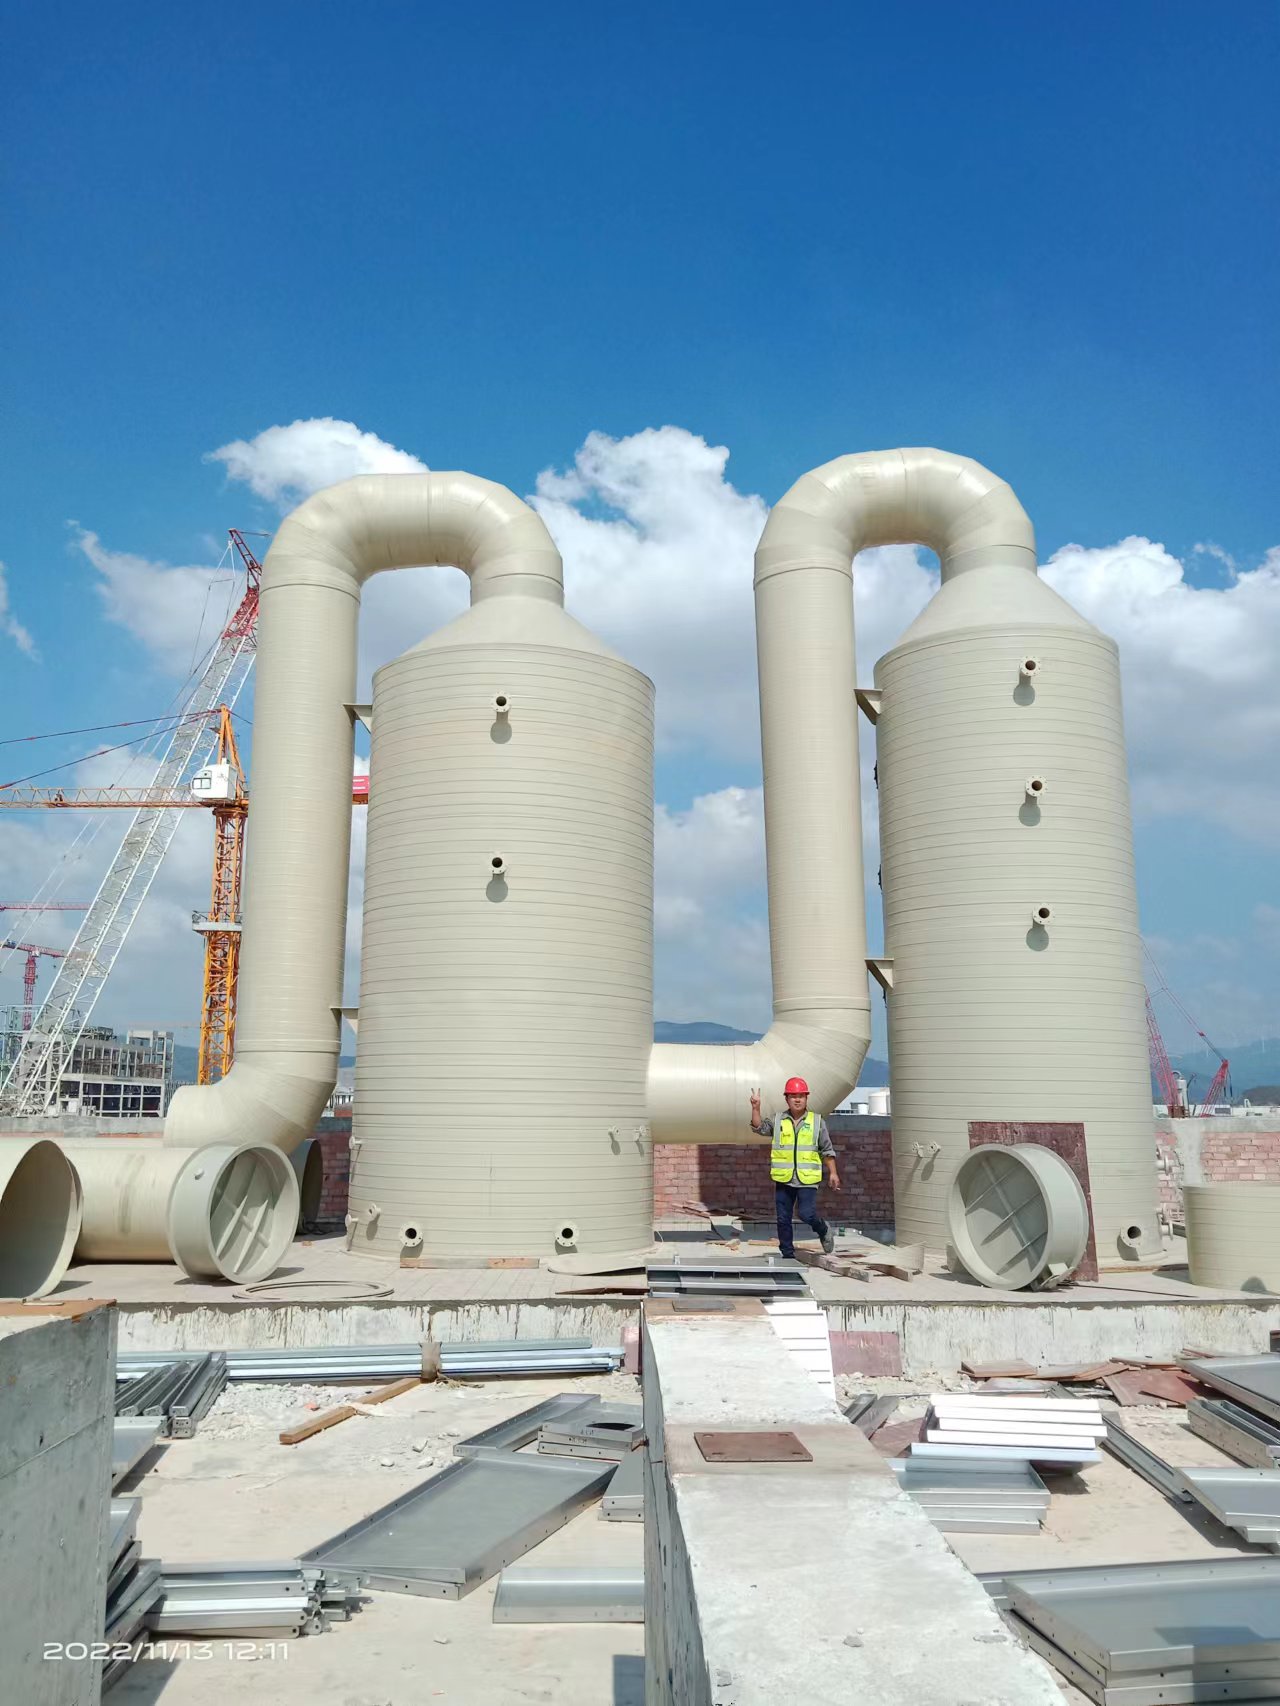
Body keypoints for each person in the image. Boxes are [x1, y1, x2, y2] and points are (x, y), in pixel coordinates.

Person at [749, 1077, 841, 1258]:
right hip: (784, 1178)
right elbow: (759, 1127)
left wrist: (833, 1173)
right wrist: (755, 1108)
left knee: (806, 1214)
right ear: (787, 1099)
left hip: (807, 1178)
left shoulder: (817, 1122)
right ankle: (788, 1255)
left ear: (806, 1098)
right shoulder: (778, 1120)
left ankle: (823, 1229)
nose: (797, 1100)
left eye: (801, 1096)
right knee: (783, 1218)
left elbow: (827, 1149)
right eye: (793, 1096)